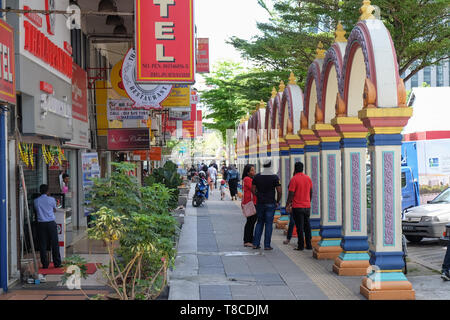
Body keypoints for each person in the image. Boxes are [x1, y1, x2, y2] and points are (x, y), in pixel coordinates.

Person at [251, 160, 282, 250]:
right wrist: (277, 201)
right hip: (270, 203)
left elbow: (253, 189)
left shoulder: (257, 176)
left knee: (259, 222)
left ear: (262, 166)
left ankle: (256, 244)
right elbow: (279, 191)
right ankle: (267, 245)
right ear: (271, 166)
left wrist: (258, 195)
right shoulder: (274, 177)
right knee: (268, 224)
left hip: (260, 203)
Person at [286, 162, 313, 251]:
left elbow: (291, 193)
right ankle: (309, 245)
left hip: (297, 206)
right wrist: (308, 201)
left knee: (299, 227)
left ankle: (300, 245)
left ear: (295, 168)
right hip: (307, 206)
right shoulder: (308, 178)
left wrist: (288, 204)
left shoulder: (294, 179)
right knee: (307, 226)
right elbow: (311, 192)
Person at [34, 184, 62, 269]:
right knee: (54, 243)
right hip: (50, 223)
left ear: (40, 191)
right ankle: (57, 263)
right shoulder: (52, 199)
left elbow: (36, 210)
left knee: (43, 244)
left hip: (41, 224)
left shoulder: (36, 201)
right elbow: (54, 209)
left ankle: (45, 264)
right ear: (47, 191)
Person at [242, 164, 257, 247]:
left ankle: (249, 239)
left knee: (251, 221)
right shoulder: (247, 179)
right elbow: (254, 189)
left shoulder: (249, 179)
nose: (254, 171)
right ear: (247, 172)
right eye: (252, 170)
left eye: (254, 170)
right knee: (250, 222)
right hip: (250, 203)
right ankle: (247, 240)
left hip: (251, 202)